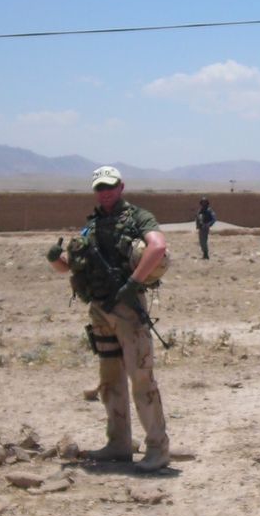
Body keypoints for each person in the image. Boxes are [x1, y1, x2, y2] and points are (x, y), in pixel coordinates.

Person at [48, 166, 171, 472]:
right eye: (100, 187)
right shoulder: (92, 225)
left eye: (110, 186)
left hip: (128, 309)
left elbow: (157, 247)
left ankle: (158, 448)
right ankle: (118, 444)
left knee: (141, 378)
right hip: (100, 309)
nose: (105, 192)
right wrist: (55, 260)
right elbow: (72, 267)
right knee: (110, 379)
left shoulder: (138, 218)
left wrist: (133, 283)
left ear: (121, 186)